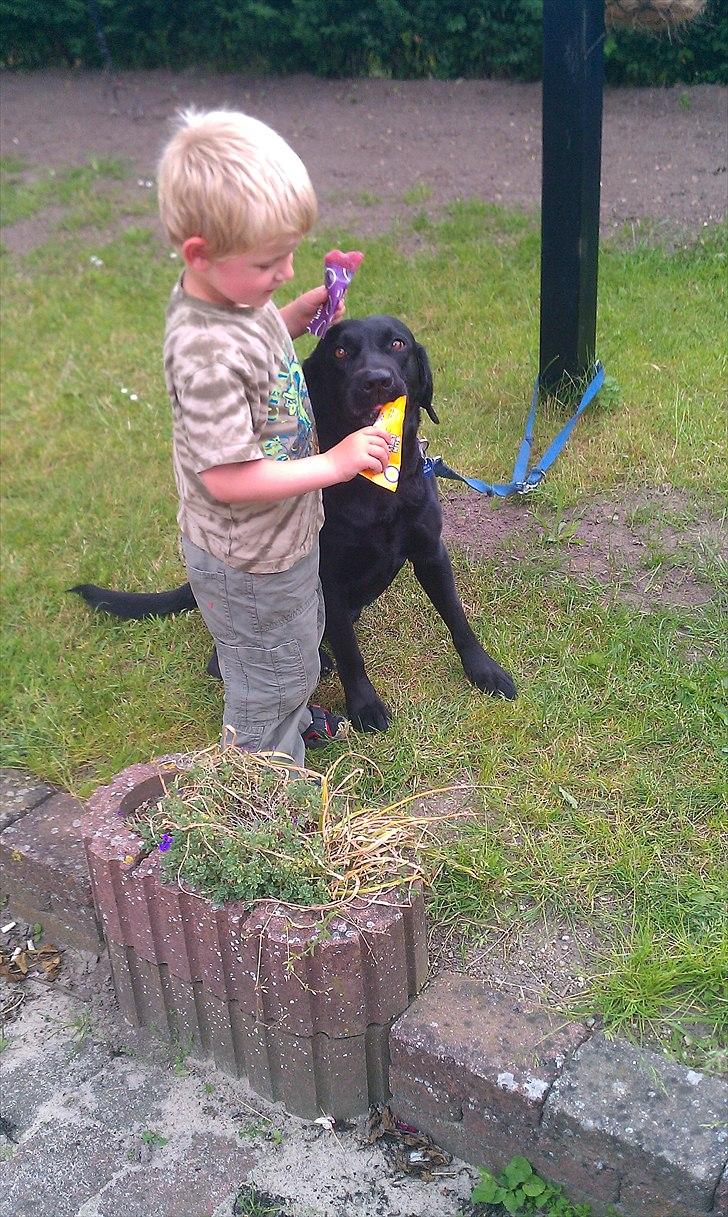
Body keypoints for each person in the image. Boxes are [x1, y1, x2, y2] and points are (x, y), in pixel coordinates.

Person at [156, 108, 391, 767]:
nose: (286, 271)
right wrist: (336, 464)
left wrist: (293, 314)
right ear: (199, 254)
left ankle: (293, 712)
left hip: (283, 539)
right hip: (248, 559)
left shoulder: (236, 298)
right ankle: (265, 780)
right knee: (268, 670)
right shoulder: (205, 355)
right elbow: (226, 476)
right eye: (269, 262)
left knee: (297, 640)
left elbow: (260, 340)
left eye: (289, 254)